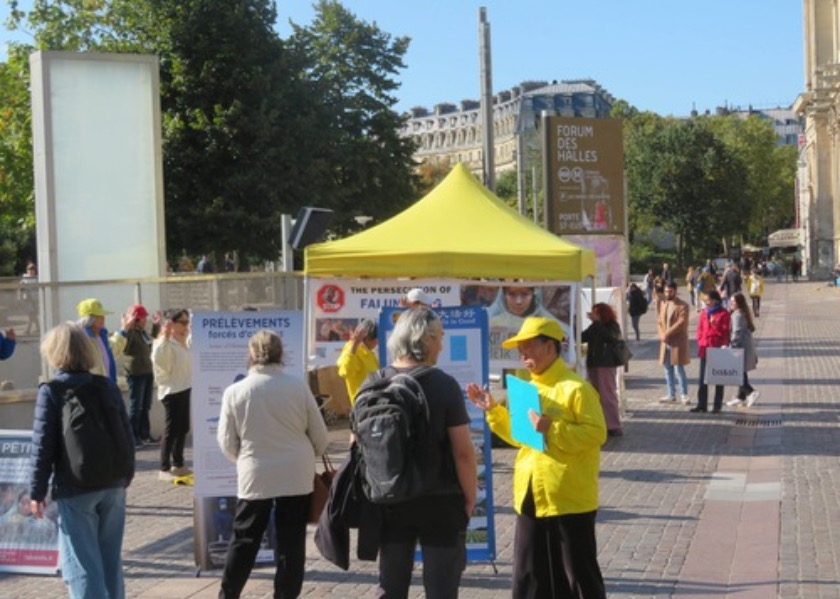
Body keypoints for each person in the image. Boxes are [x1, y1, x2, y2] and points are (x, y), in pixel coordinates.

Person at [466, 316, 607, 599]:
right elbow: (521, 437)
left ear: (551, 347)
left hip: (568, 497)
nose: (523, 354)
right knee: (531, 574)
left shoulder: (575, 388)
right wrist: (493, 409)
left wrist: (552, 429)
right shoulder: (526, 389)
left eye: (529, 346)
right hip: (530, 492)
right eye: (520, 348)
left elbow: (596, 433)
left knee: (578, 574)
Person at [369, 306, 477, 599]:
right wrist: (470, 498)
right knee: (442, 587)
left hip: (391, 498)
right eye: (439, 336)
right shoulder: (443, 385)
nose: (442, 344)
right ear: (426, 340)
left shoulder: (374, 382)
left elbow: (360, 444)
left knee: (391, 586)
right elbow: (464, 452)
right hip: (440, 500)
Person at [216, 330, 328, 599]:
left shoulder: (235, 391)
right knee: (291, 541)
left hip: (256, 471)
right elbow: (320, 436)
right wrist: (307, 454)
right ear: (281, 353)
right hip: (295, 472)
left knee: (244, 539)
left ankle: (228, 595)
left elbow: (226, 442)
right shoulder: (298, 385)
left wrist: (243, 459)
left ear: (251, 355)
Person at [29, 323, 134, 599]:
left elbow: (42, 446)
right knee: (111, 562)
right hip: (113, 484)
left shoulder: (51, 391)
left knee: (82, 566)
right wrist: (127, 476)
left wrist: (36, 492)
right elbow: (126, 431)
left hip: (75, 488)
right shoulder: (106, 385)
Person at [152, 309, 193, 481]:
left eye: (187, 322)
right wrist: (165, 335)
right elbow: (159, 359)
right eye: (182, 322)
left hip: (184, 387)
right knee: (171, 429)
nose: (186, 326)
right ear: (172, 324)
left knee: (182, 427)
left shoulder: (186, 341)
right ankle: (164, 467)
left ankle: (178, 463)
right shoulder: (164, 342)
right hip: (171, 390)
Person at [111, 305, 158, 447]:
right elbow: (124, 347)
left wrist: (156, 326)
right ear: (136, 319)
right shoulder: (132, 332)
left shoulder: (142, 332)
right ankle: (134, 436)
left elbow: (152, 341)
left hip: (147, 371)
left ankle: (145, 434)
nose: (145, 320)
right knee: (136, 405)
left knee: (145, 405)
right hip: (136, 373)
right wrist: (126, 326)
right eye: (143, 318)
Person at [581, 303, 624, 437]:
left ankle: (613, 425)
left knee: (607, 394)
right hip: (594, 363)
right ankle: (601, 422)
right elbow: (584, 336)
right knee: (596, 395)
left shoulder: (612, 325)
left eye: (596, 313)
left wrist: (597, 323)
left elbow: (610, 337)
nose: (593, 315)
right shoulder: (595, 326)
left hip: (606, 363)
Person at [690, 290, 731, 414]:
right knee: (702, 378)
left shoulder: (724, 313)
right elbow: (699, 329)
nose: (707, 303)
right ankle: (702, 404)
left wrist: (715, 325)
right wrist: (700, 340)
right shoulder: (704, 312)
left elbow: (725, 332)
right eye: (705, 300)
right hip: (705, 347)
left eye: (709, 300)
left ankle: (717, 406)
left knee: (718, 377)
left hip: (717, 348)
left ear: (716, 300)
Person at [658, 281, 691, 405]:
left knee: (678, 369)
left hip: (677, 341)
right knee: (667, 369)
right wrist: (661, 334)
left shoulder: (683, 305)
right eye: (666, 291)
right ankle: (671, 394)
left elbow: (681, 323)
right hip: (665, 341)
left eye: (670, 291)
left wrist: (667, 333)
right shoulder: (663, 303)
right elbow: (659, 321)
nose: (667, 293)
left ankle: (684, 394)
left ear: (675, 291)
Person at [725, 293, 761, 408]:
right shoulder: (739, 313)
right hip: (743, 346)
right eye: (730, 301)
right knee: (740, 371)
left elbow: (737, 333)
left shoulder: (738, 315)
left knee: (738, 372)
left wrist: (731, 346)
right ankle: (740, 397)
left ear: (739, 303)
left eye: (733, 302)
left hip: (740, 347)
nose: (731, 304)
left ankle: (750, 392)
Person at [336, 319, 379, 405]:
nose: (377, 342)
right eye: (376, 339)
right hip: (362, 404)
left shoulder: (369, 352)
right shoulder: (352, 350)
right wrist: (354, 346)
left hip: (374, 400)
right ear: (367, 338)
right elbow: (345, 372)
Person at [77, 298, 118, 383]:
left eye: (103, 315)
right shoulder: (81, 340)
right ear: (89, 319)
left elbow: (114, 350)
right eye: (98, 316)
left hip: (107, 385)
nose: (103, 318)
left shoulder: (102, 336)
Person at [19, 262, 39, 335]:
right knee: (32, 314)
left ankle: (29, 329)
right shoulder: (24, 279)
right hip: (27, 300)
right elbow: (20, 289)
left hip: (35, 300)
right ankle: (38, 328)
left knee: (32, 314)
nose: (31, 271)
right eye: (29, 270)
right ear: (27, 270)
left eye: (33, 269)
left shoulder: (37, 279)